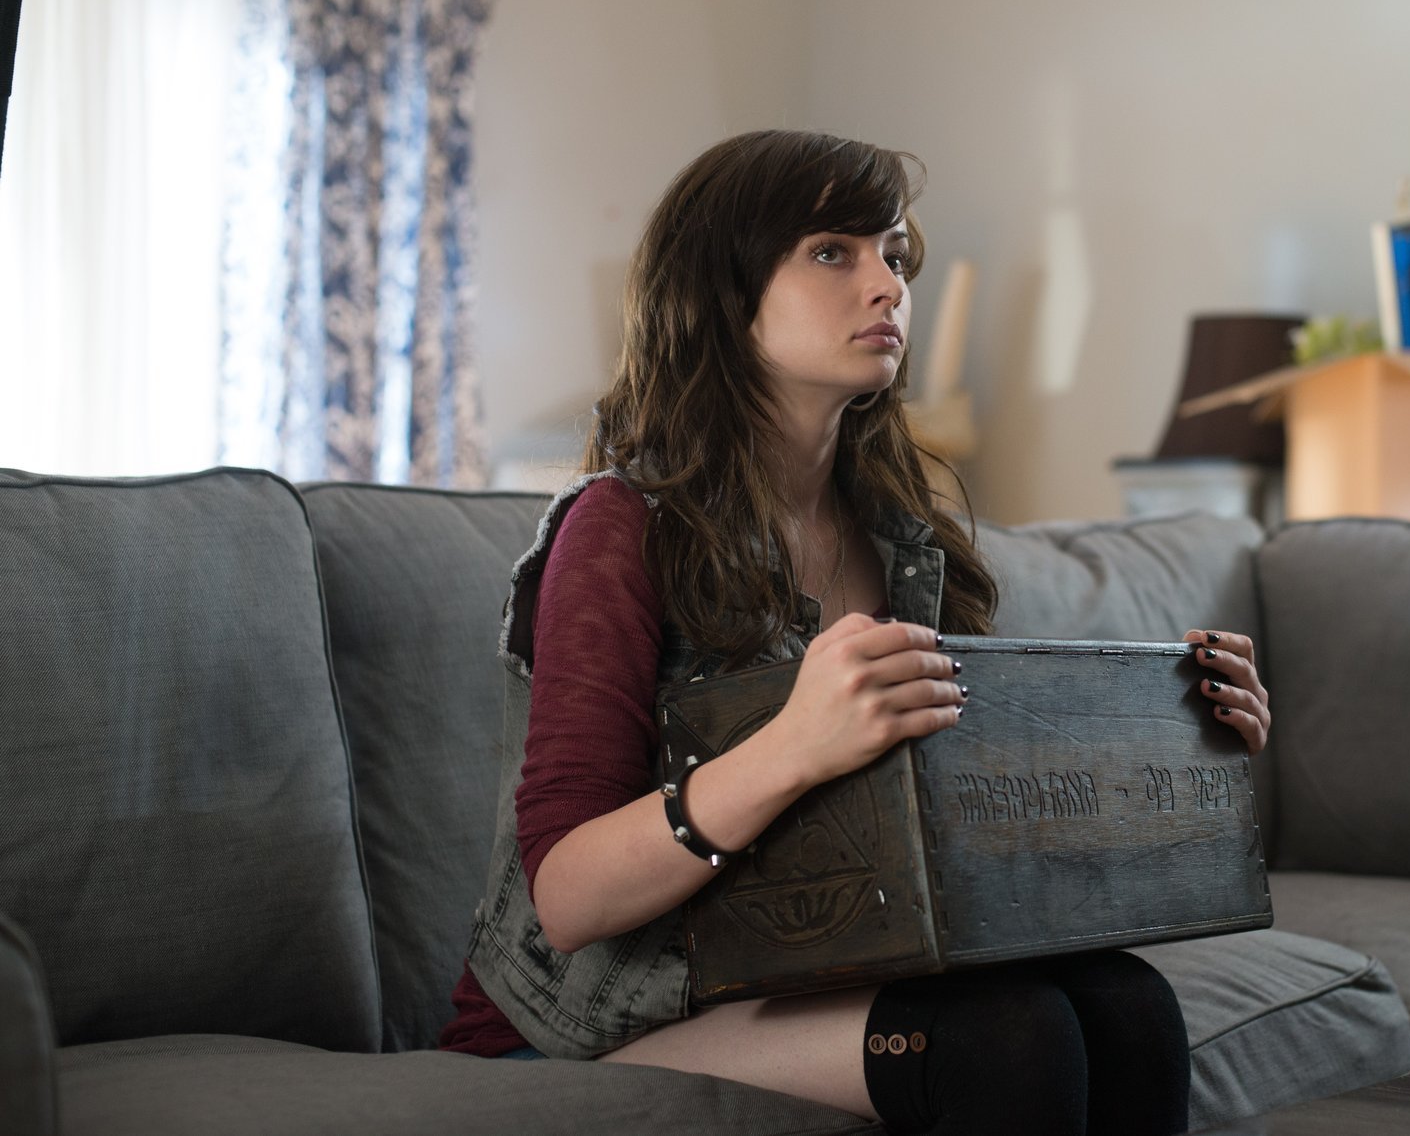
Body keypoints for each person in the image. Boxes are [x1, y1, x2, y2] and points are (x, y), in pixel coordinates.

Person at [439, 129, 1272, 1135]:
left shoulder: (904, 545)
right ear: (720, 292)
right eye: (832, 251)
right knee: (1010, 1040)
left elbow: (972, 822)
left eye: (895, 255)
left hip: (798, 971)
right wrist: (792, 748)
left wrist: (1181, 741)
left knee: (1133, 1008)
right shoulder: (619, 529)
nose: (887, 286)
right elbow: (568, 897)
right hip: (590, 1015)